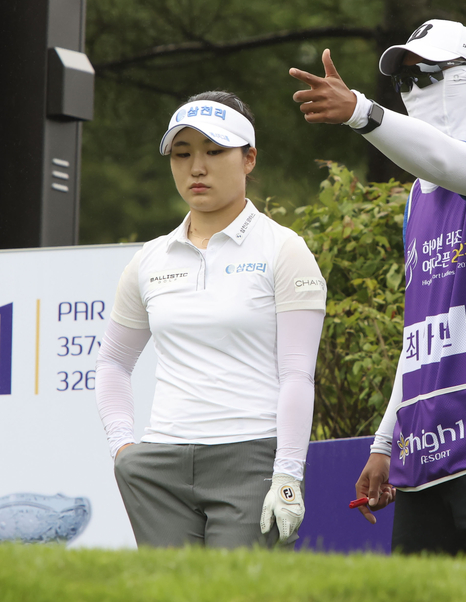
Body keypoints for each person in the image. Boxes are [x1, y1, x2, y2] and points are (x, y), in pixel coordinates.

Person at [289, 20, 466, 556]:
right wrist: (384, 443)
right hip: (429, 448)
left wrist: (359, 110)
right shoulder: (420, 199)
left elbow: (450, 160)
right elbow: (420, 337)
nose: (412, 93)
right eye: (403, 84)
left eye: (426, 77)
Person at [95, 91, 326, 549]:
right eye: (182, 154)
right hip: (160, 464)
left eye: (214, 151)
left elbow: (297, 374)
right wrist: (123, 449)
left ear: (249, 158)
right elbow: (113, 364)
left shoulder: (283, 249)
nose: (196, 167)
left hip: (250, 459)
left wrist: (287, 475)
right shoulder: (149, 259)